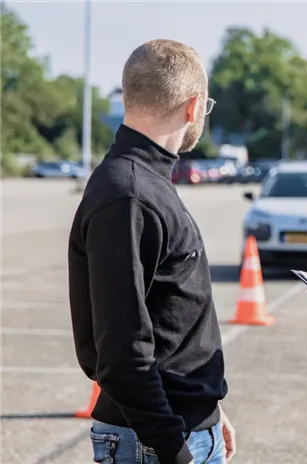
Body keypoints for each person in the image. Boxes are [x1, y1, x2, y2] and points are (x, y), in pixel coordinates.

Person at [68, 39, 235, 464]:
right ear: (194, 107)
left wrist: (208, 411)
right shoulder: (130, 194)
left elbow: (169, 319)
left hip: (182, 428)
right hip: (152, 444)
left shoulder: (144, 182)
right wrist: (172, 448)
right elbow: (121, 349)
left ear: (127, 96)